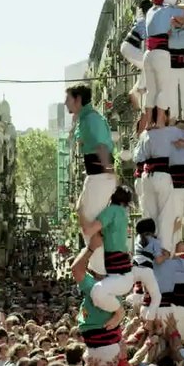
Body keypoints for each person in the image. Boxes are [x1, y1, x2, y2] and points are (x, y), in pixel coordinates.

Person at [67, 84, 114, 274]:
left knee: (91, 227)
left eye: (68, 99)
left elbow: (101, 146)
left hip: (100, 176)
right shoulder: (85, 118)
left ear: (78, 100)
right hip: (95, 177)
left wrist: (110, 173)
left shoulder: (91, 119)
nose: (65, 103)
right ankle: (97, 268)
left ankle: (101, 272)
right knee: (81, 213)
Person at [70, 233, 126, 366]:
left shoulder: (96, 286)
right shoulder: (112, 283)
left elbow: (76, 269)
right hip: (100, 347)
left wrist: (90, 248)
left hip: (103, 349)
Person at [134, 123, 184, 251]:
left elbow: (138, 158)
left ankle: (151, 247)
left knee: (150, 215)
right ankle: (163, 249)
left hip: (146, 177)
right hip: (161, 175)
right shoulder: (168, 132)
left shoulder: (145, 135)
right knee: (165, 215)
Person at [86, 186, 137, 316]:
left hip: (121, 275)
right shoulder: (121, 213)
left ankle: (119, 312)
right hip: (120, 274)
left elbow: (91, 229)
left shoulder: (111, 211)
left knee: (97, 292)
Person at [142, 2, 184, 128]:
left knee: (151, 91)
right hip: (161, 53)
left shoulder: (150, 11)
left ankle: (148, 122)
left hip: (148, 54)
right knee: (164, 89)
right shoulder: (167, 9)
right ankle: (160, 120)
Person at [130, 218, 165, 321]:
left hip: (134, 268)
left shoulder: (137, 238)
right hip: (147, 271)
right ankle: (149, 319)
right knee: (156, 297)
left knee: (124, 288)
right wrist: (166, 256)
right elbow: (158, 260)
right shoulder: (155, 241)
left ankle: (134, 299)